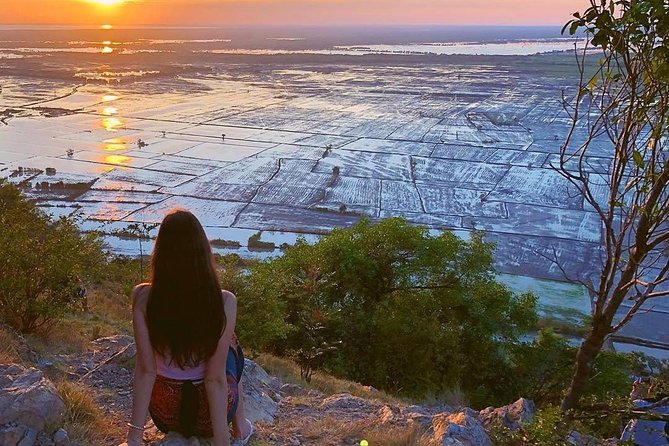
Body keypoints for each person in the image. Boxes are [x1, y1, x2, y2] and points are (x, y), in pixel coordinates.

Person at [119, 210, 254, 446]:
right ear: (202, 250)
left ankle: (135, 436)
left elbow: (145, 370)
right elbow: (214, 379)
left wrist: (133, 438)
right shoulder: (223, 302)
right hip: (208, 419)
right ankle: (240, 428)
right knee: (231, 344)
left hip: (165, 414)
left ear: (160, 253)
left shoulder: (142, 297)